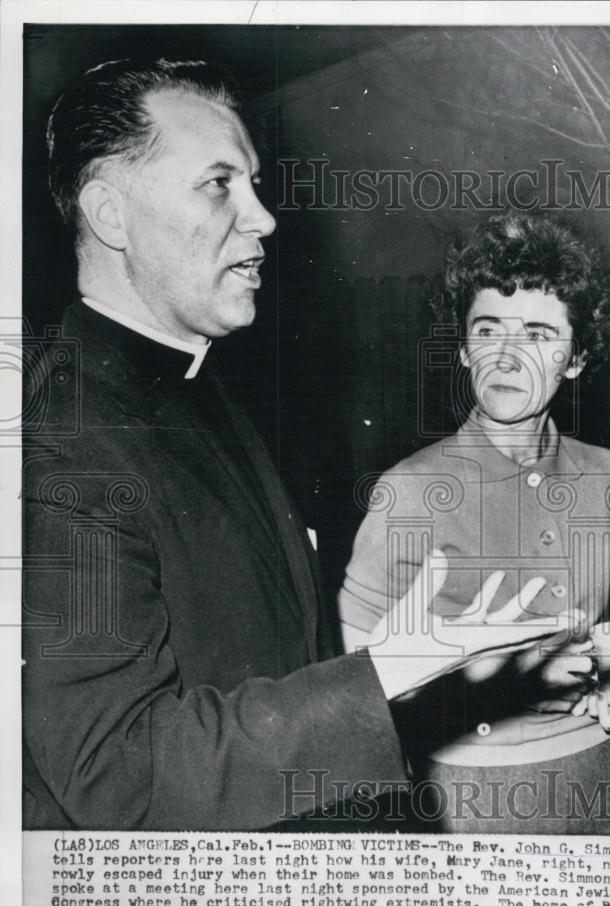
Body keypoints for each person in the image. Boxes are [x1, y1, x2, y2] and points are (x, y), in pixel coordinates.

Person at [22, 60, 576, 832]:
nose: (264, 219)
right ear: (111, 215)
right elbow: (116, 772)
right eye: (219, 183)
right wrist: (379, 678)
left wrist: (391, 666)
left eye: (253, 182)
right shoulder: (58, 442)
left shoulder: (202, 377)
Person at [339, 213, 610, 834]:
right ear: (463, 349)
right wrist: (512, 678)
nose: (508, 356)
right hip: (466, 796)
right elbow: (352, 688)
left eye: (539, 334)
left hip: (605, 777)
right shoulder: (408, 492)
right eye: (487, 330)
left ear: (577, 358)